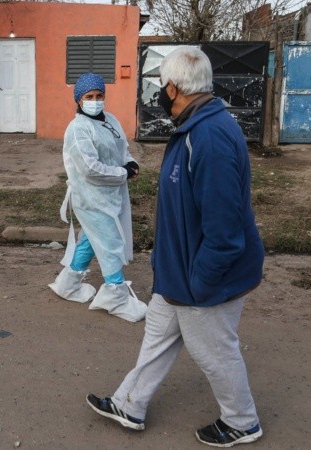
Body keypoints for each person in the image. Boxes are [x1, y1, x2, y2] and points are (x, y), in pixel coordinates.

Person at [86, 47, 265, 447]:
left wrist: (201, 284)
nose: (159, 94)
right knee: (157, 336)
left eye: (161, 86)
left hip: (204, 276)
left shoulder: (209, 137)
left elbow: (224, 230)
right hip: (179, 270)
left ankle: (242, 421)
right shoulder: (194, 124)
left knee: (214, 351)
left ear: (174, 86)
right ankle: (129, 403)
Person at [48, 72, 147, 323]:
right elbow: (90, 169)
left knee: (93, 239)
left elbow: (121, 148)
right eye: (89, 96)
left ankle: (67, 284)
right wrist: (122, 173)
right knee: (111, 242)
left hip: (112, 193)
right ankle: (115, 297)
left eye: (99, 95)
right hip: (91, 197)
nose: (95, 100)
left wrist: (130, 162)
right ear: (79, 100)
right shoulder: (77, 129)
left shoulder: (110, 120)